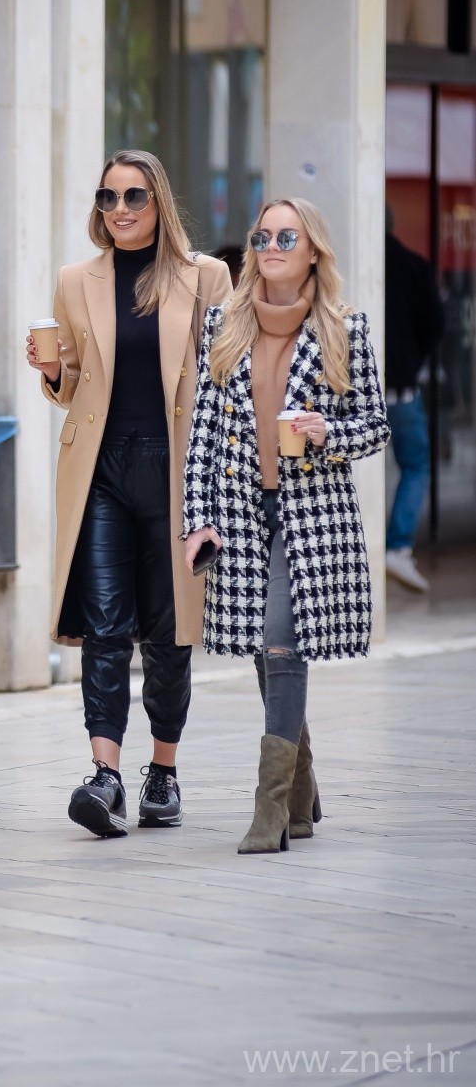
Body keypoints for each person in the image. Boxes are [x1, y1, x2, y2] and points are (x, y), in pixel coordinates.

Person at [27, 149, 232, 837]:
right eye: (108, 197)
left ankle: (163, 773)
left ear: (158, 202)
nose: (119, 209)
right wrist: (51, 372)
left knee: (170, 633)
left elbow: (224, 378)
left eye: (134, 196)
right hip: (101, 472)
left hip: (178, 471)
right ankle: (105, 775)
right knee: (105, 625)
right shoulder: (75, 279)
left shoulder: (205, 277)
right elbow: (72, 386)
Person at [183, 197, 389, 854]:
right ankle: (301, 793)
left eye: (286, 237)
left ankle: (268, 809)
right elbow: (203, 434)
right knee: (261, 647)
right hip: (241, 514)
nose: (270, 247)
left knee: (280, 644)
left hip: (311, 515)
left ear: (312, 252)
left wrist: (329, 432)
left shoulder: (344, 329)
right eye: (262, 236)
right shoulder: (223, 325)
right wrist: (197, 520)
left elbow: (375, 425)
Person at [384, 216, 444, 592]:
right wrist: (411, 361)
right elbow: (435, 325)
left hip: (355, 392)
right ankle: (397, 546)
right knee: (416, 465)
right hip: (401, 388)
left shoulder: (344, 263)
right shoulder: (414, 267)